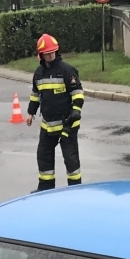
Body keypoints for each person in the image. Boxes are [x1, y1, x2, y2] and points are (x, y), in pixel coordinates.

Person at [26, 33, 85, 191]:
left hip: (67, 124)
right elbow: (35, 94)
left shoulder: (67, 70)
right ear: (41, 55)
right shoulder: (38, 73)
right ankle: (45, 189)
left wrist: (76, 111)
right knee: (43, 156)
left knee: (71, 159)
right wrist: (31, 113)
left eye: (53, 52)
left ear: (57, 51)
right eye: (47, 53)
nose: (51, 55)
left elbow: (77, 93)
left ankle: (74, 190)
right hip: (48, 125)